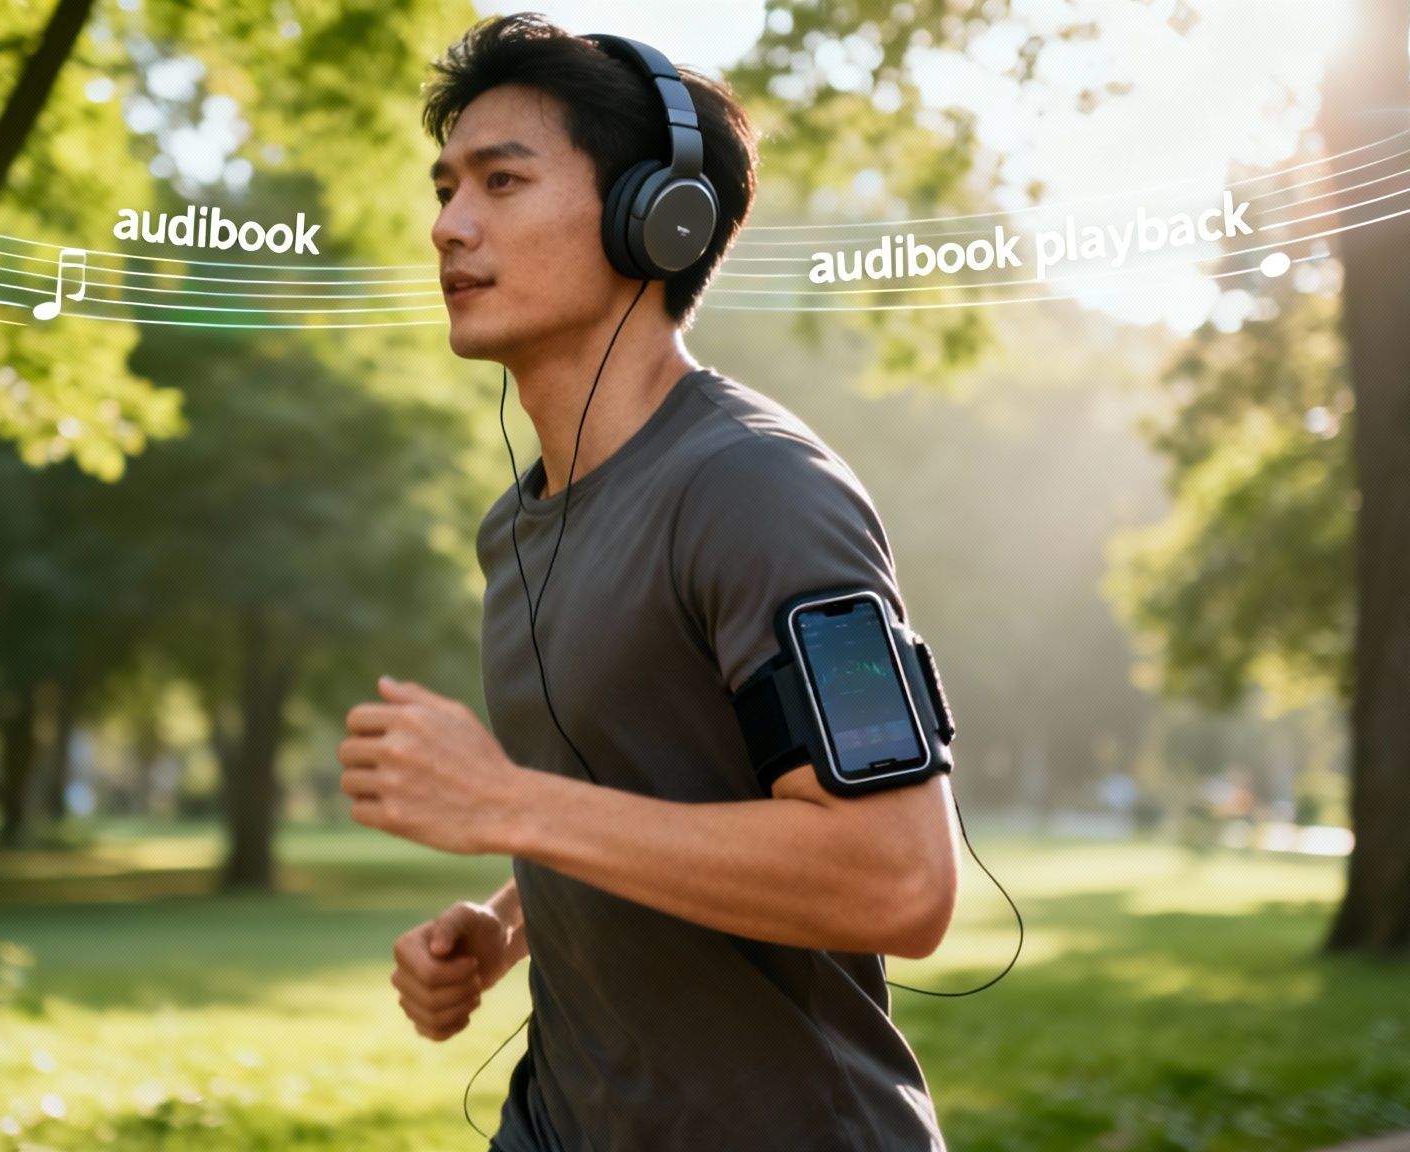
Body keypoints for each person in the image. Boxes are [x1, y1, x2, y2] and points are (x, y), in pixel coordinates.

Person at [338, 13, 959, 1150]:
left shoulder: (760, 492)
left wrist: (506, 805)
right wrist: (508, 921)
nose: (447, 225)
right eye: (444, 187)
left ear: (654, 219)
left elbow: (897, 880)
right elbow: (660, 789)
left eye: (501, 182)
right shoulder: (516, 528)